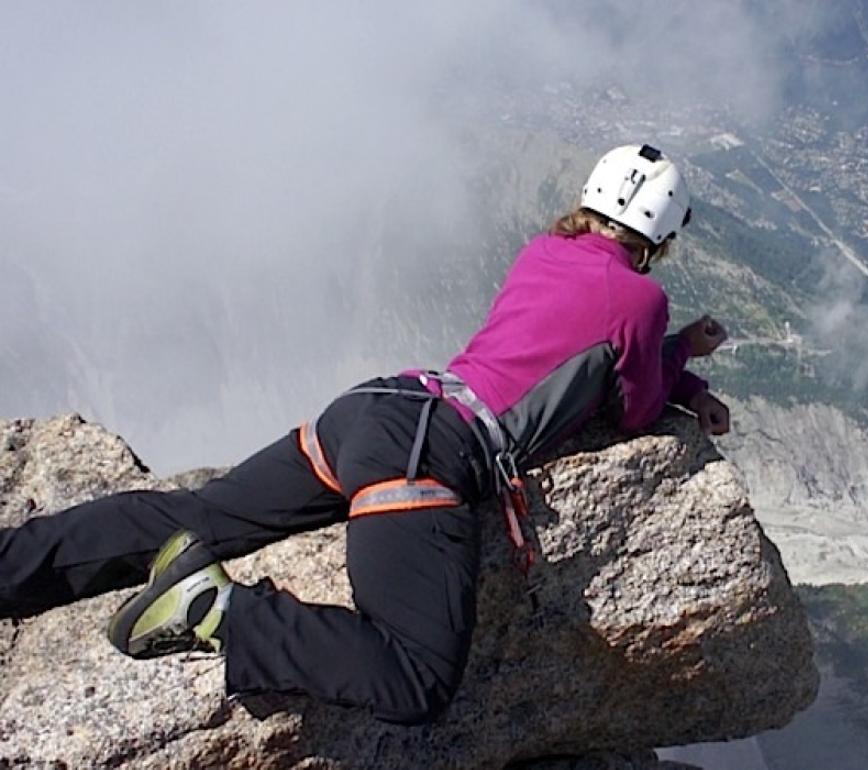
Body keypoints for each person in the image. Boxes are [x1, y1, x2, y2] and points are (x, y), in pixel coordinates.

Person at [0, 143, 731, 724]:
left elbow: (563, 345)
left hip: (377, 408)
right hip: (430, 458)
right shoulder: (641, 300)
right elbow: (633, 408)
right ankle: (215, 609)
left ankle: (11, 566)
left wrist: (680, 368)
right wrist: (684, 362)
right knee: (416, 679)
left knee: (194, 514)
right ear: (662, 235)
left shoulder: (544, 251)